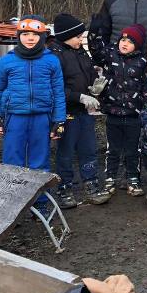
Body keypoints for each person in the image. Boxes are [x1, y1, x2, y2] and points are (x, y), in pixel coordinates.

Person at [0, 17, 66, 218]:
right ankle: (10, 205)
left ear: (42, 37)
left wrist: (59, 120)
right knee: (12, 160)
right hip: (15, 117)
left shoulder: (51, 60)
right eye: (25, 34)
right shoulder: (7, 61)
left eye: (35, 35)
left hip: (42, 118)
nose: (30, 38)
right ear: (18, 37)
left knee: (39, 161)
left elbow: (58, 92)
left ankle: (39, 203)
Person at [49, 13, 112, 208]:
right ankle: (64, 188)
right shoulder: (55, 56)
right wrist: (79, 97)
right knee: (66, 152)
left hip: (85, 111)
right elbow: (55, 87)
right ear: (66, 36)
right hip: (66, 112)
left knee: (89, 148)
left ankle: (91, 183)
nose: (80, 39)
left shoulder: (81, 52)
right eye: (77, 36)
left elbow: (90, 72)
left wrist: (95, 87)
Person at [88, 23, 147, 196]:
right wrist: (94, 32)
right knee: (113, 149)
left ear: (136, 45)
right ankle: (110, 178)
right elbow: (95, 51)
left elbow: (146, 85)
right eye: (123, 39)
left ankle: (133, 178)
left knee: (133, 150)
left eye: (130, 41)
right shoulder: (110, 54)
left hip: (133, 114)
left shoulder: (142, 61)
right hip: (113, 111)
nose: (125, 43)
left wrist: (144, 104)